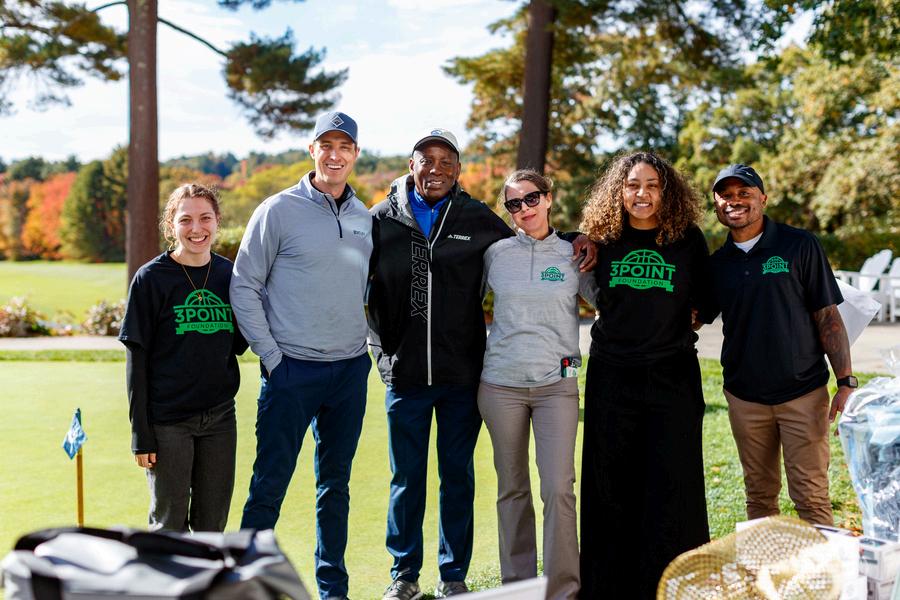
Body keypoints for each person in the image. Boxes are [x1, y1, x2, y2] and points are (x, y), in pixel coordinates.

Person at [368, 129, 596, 600]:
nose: (436, 169)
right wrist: (381, 354)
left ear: (458, 170)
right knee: (409, 479)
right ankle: (406, 576)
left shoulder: (480, 221)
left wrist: (579, 237)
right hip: (413, 377)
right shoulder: (381, 220)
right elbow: (363, 290)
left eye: (446, 161)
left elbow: (538, 243)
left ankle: (456, 576)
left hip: (467, 378)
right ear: (411, 165)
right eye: (426, 159)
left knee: (465, 478)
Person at [230, 111, 372, 600]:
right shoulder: (277, 210)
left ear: (355, 154)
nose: (335, 155)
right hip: (291, 371)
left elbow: (367, 289)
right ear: (312, 150)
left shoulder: (363, 217)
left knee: (336, 486)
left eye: (344, 147)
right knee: (268, 486)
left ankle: (334, 591)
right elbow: (244, 285)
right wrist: (272, 359)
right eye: (326, 145)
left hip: (349, 372)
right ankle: (244, 588)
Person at [578, 151, 713, 599]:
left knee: (674, 485)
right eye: (633, 185)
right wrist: (579, 238)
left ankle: (676, 584)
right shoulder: (602, 240)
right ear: (618, 190)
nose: (642, 194)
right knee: (609, 487)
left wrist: (690, 317)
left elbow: (707, 299)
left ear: (666, 191)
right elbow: (568, 254)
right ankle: (608, 588)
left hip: (672, 377)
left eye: (652, 185)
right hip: (612, 377)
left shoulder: (687, 239)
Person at [705, 164, 854, 526]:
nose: (734, 201)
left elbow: (827, 316)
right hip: (745, 398)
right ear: (716, 204)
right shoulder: (717, 264)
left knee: (811, 498)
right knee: (758, 497)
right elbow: (694, 315)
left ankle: (821, 565)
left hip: (802, 393)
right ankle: (765, 564)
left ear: (763, 199)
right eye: (726, 195)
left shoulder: (799, 245)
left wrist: (846, 381)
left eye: (744, 193)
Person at [478, 169, 596, 600]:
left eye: (531, 198)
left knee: (558, 489)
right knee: (512, 489)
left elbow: (608, 300)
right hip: (500, 386)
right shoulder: (495, 254)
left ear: (548, 198)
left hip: (556, 388)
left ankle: (563, 590)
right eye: (514, 203)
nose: (524, 209)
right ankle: (519, 588)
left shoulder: (574, 253)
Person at [120, 183, 247, 532]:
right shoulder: (150, 279)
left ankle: (204, 574)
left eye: (205, 218)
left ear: (217, 221)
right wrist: (140, 434)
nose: (196, 228)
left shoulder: (229, 275)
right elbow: (136, 362)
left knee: (212, 528)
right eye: (185, 219)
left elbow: (238, 343)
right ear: (171, 225)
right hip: (168, 423)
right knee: (169, 526)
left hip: (220, 419)